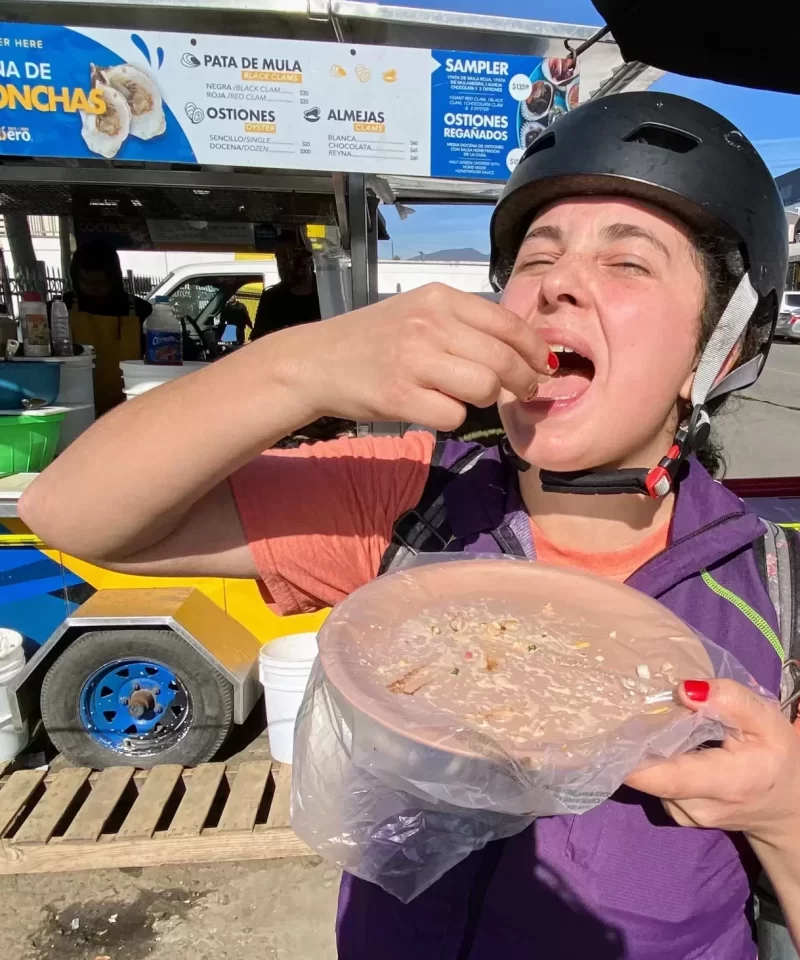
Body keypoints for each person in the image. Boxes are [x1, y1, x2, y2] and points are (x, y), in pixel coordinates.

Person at [18, 92, 800, 960]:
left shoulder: (779, 593)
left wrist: (787, 815)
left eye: (629, 264)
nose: (557, 285)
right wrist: (298, 368)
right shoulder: (407, 502)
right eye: (536, 258)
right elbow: (71, 513)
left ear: (721, 347)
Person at [63, 238, 152, 415]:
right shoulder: (61, 308)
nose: (91, 289)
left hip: (129, 406)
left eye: (99, 283)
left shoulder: (141, 310)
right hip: (75, 405)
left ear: (114, 279)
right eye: (85, 282)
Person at [250, 235, 321, 340]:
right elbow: (258, 341)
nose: (282, 265)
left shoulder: (326, 294)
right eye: (279, 259)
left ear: (307, 259)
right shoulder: (271, 299)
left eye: (288, 256)